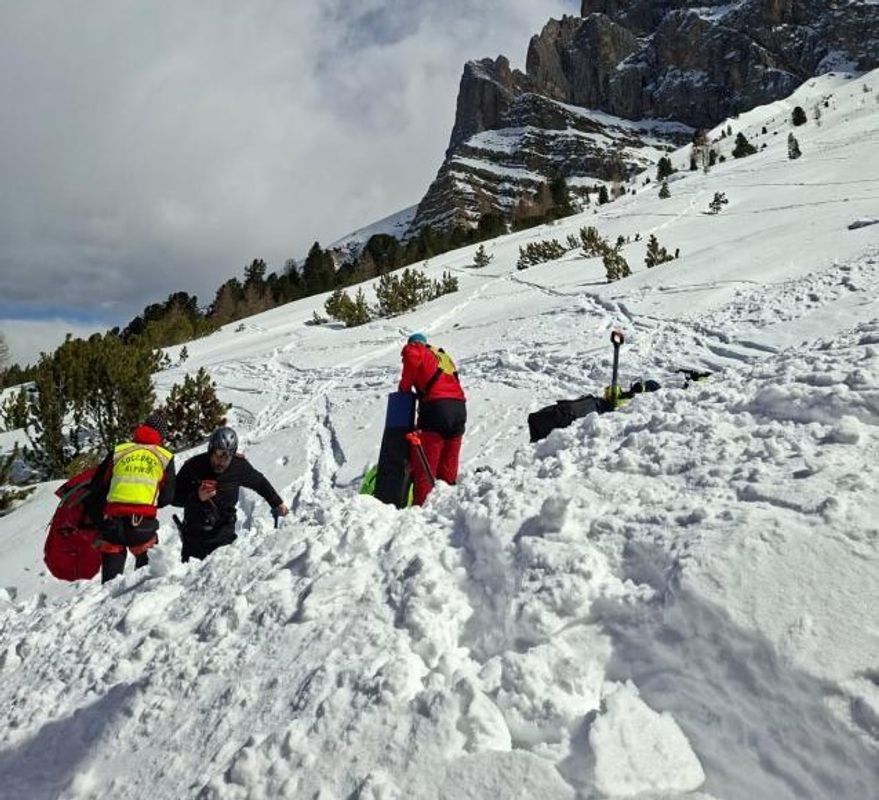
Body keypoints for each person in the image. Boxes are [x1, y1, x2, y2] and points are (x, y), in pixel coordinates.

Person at [172, 426, 289, 562]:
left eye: (228, 455)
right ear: (211, 449)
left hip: (223, 536)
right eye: (219, 453)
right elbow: (174, 498)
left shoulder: (238, 467)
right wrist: (197, 497)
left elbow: (260, 483)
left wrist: (277, 503)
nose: (223, 460)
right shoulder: (193, 467)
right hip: (194, 537)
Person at [91, 412, 176, 583]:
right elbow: (167, 498)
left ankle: (108, 601)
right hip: (142, 526)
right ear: (162, 436)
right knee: (142, 584)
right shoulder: (164, 457)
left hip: (112, 524)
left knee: (109, 586)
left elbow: (97, 487)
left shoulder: (119, 451)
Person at [398, 332, 466, 505]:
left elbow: (412, 359)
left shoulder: (416, 348)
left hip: (436, 408)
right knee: (449, 460)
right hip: (459, 408)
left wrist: (403, 390)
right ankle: (447, 503)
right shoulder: (441, 355)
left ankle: (422, 508)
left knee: (425, 462)